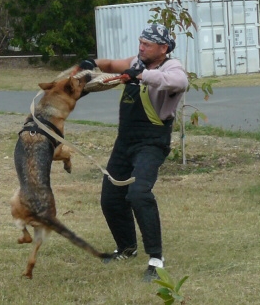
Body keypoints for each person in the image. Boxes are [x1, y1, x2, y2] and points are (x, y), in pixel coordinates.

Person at [77, 23, 189, 282]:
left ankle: (156, 258)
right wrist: (90, 63)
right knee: (110, 198)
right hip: (125, 142)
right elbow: (112, 65)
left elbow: (179, 82)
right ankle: (126, 248)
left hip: (152, 142)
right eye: (140, 42)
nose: (141, 47)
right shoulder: (135, 62)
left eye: (147, 44)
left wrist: (139, 75)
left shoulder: (171, 68)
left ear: (163, 48)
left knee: (138, 193)